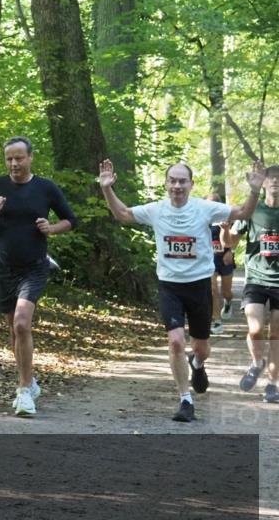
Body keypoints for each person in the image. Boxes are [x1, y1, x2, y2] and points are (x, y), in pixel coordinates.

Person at [98, 159, 266, 421]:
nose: (177, 185)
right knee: (176, 341)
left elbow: (243, 213)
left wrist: (255, 190)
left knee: (201, 348)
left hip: (199, 286)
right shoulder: (156, 210)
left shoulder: (204, 208)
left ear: (191, 184)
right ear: (166, 184)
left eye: (182, 181)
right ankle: (185, 400)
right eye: (173, 181)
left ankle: (197, 364)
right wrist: (107, 188)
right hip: (170, 286)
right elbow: (123, 214)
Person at [0, 137, 77, 417]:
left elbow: (71, 220)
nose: (14, 163)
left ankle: (23, 392)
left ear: (30, 158)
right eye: (9, 159)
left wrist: (51, 228)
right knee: (14, 330)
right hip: (4, 269)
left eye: (19, 158)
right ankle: (29, 379)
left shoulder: (45, 188)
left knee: (21, 323)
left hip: (35, 267)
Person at [222, 164, 279, 402]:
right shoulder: (253, 210)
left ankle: (273, 384)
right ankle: (257, 362)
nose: (275, 181)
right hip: (256, 278)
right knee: (255, 329)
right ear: (263, 182)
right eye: (271, 178)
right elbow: (230, 242)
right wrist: (225, 230)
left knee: (276, 333)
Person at [206, 193, 236, 335]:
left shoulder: (226, 217)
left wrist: (230, 251)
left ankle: (228, 302)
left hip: (225, 257)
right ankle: (217, 321)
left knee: (226, 292)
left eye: (214, 203)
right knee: (212, 289)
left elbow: (234, 237)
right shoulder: (201, 217)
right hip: (209, 258)